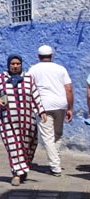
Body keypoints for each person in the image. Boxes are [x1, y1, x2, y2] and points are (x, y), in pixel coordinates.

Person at [0, 55, 45, 186]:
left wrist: (41, 111)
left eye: (18, 63)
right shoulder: (0, 78)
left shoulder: (28, 78)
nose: (15, 66)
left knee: (29, 144)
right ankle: (16, 174)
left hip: (27, 120)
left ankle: (23, 168)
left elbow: (35, 95)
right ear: (9, 65)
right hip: (7, 119)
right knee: (13, 145)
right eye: (13, 64)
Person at [26, 45, 73, 176]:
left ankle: (55, 167)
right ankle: (55, 162)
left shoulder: (33, 69)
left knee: (48, 137)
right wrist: (70, 108)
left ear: (38, 56)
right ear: (52, 55)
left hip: (43, 106)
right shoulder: (60, 69)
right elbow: (68, 89)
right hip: (61, 104)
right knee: (58, 134)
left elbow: (28, 88)